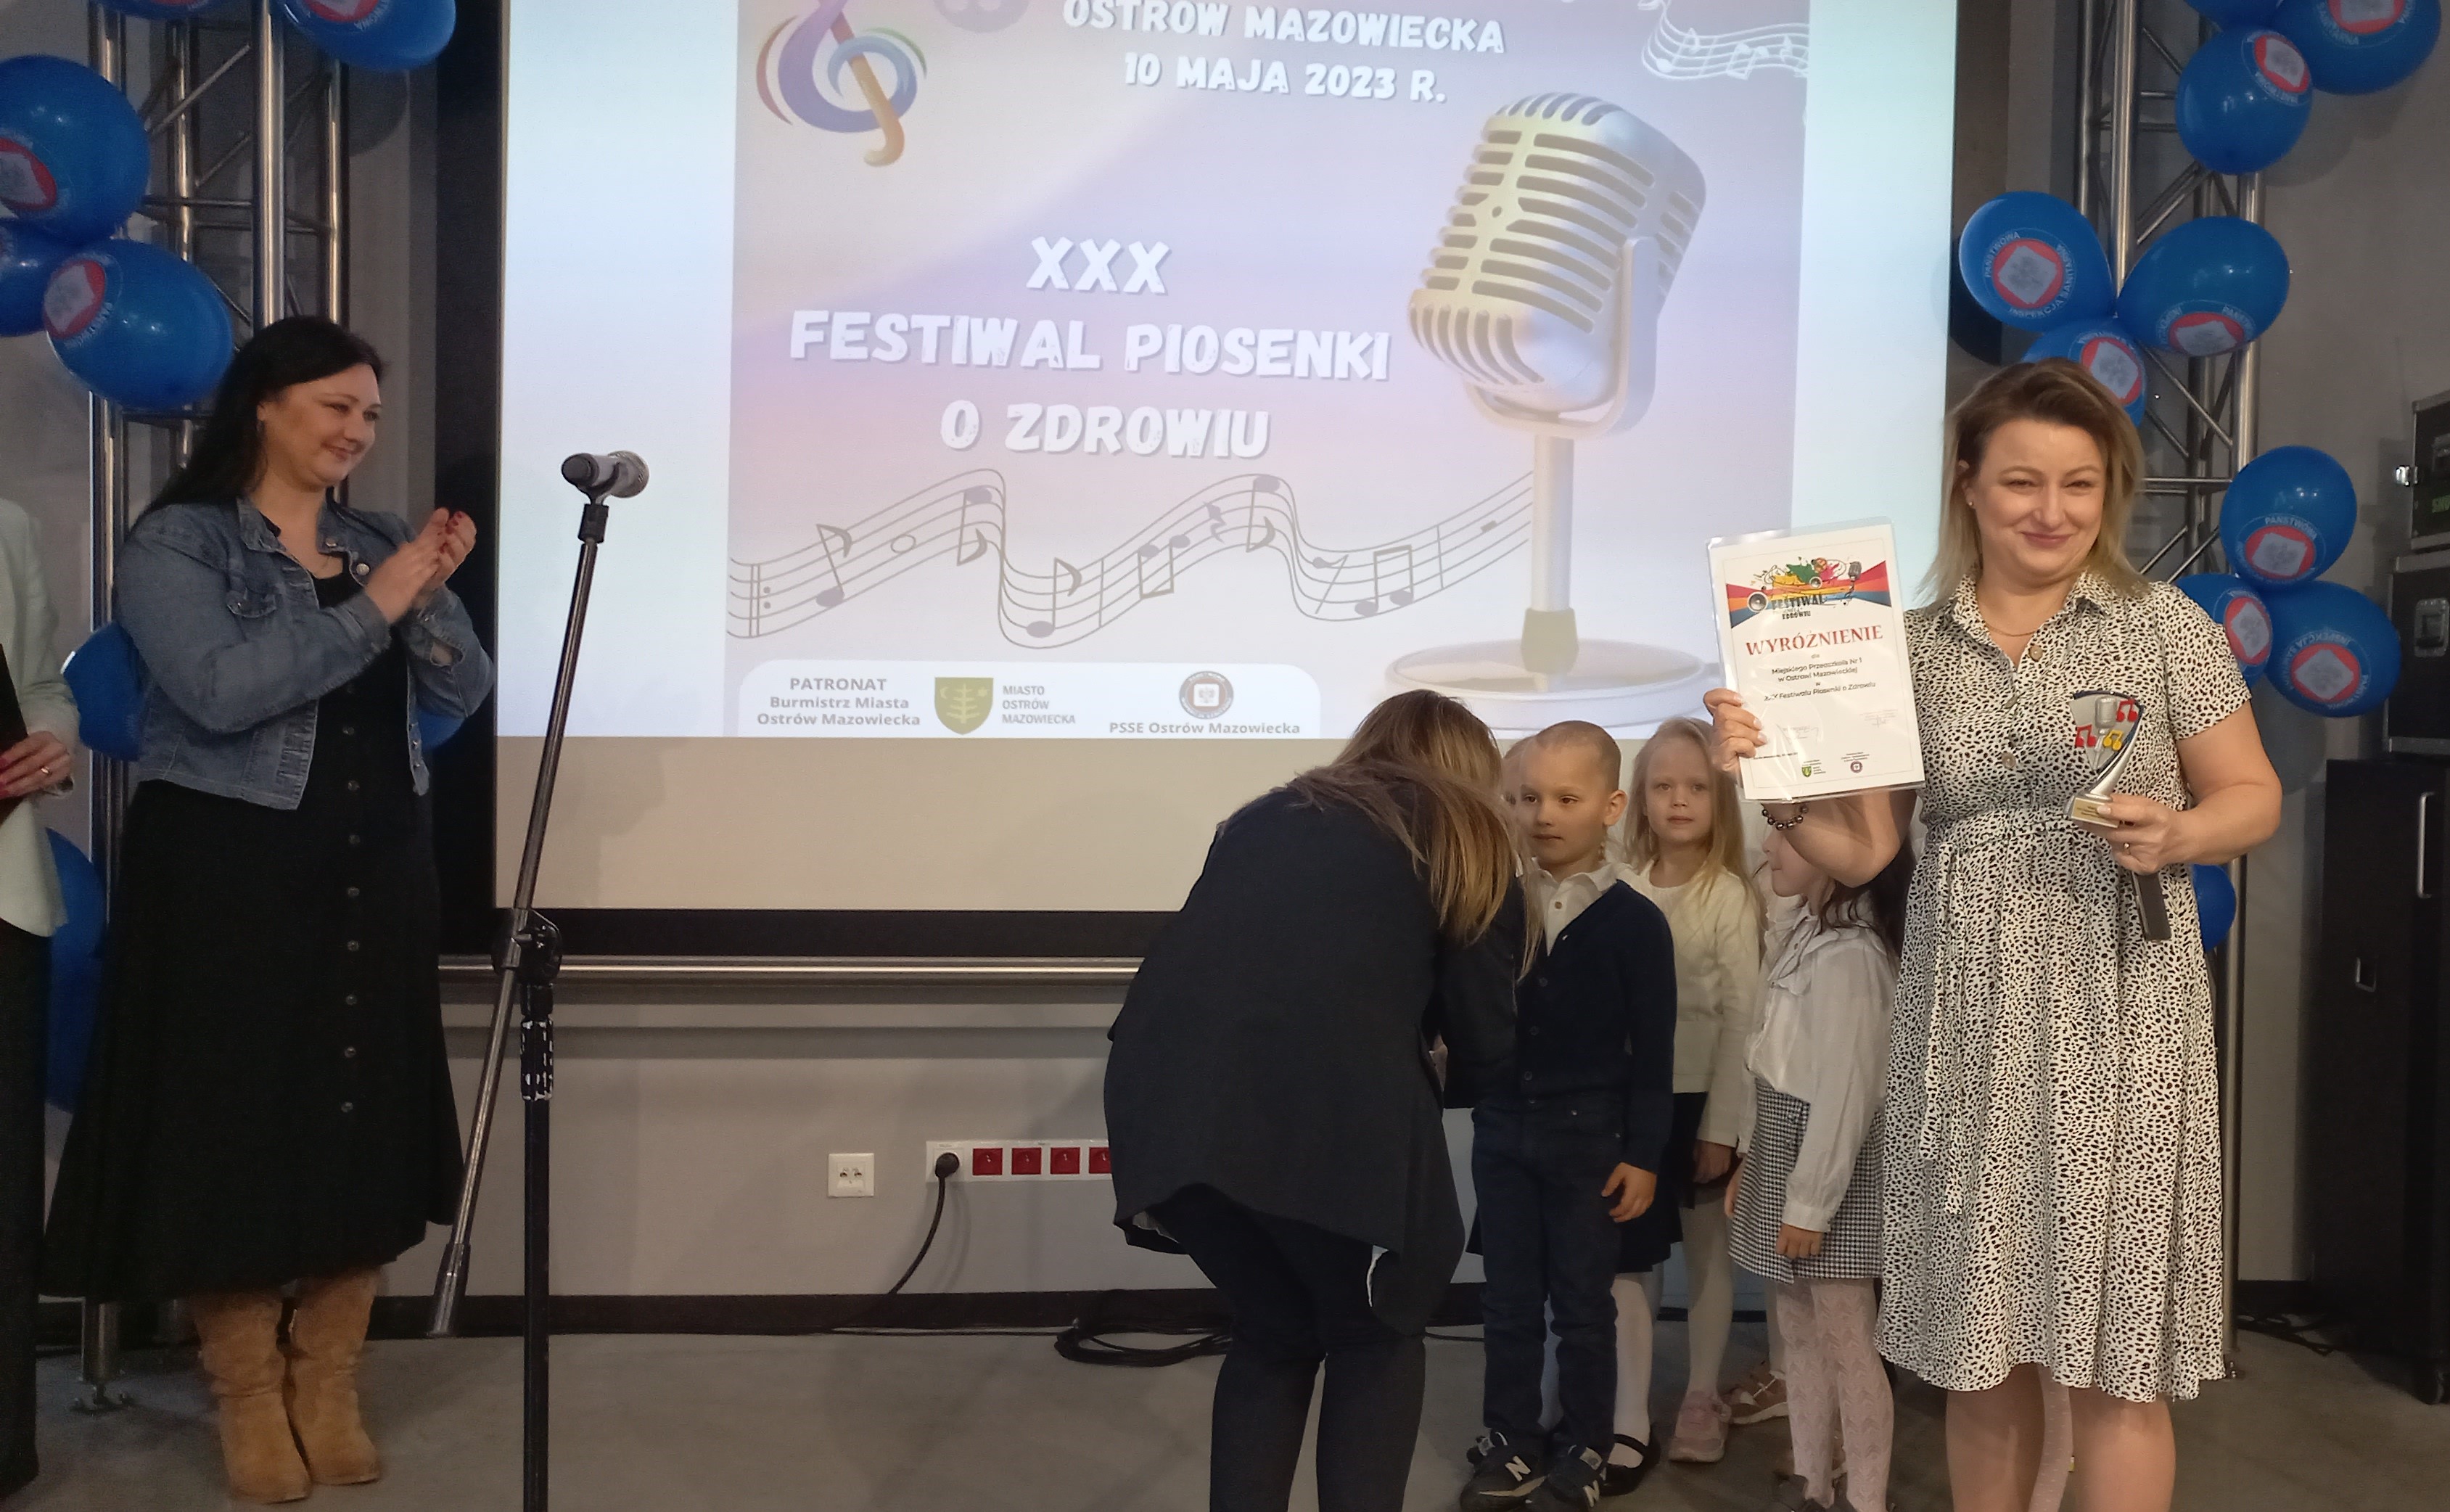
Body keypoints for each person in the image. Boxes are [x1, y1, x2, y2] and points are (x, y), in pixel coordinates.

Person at [1706, 358, 2282, 1512]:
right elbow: (1867, 852)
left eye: (2079, 484)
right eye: (2022, 481)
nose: (2051, 511)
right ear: (1967, 484)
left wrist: (2180, 832)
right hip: (1966, 1027)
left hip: (2124, 1022)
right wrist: (1770, 776)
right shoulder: (1903, 648)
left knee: (2117, 1366)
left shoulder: (2163, 626)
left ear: (2108, 491)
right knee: (1982, 1353)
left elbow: (2252, 796)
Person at [42, 317, 493, 1505]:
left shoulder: (375, 539)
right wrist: (377, 601)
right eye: (336, 406)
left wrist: (425, 591)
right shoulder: (179, 540)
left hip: (377, 856)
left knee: (358, 1119)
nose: (357, 431)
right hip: (228, 869)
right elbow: (221, 690)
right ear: (264, 403)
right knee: (229, 1129)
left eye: (370, 414)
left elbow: (463, 687)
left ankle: (327, 1382)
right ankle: (246, 1390)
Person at [1104, 689, 1524, 1512]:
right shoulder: (1464, 829)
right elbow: (1484, 1035)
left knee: (1274, 1333)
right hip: (1316, 1117)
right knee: (1377, 1336)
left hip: (1161, 1109)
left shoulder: (1266, 814)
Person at [1464, 721, 1676, 1512]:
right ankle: (1511, 1439)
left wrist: (1644, 1152)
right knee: (1507, 1300)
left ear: (1610, 806)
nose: (1541, 814)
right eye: (1525, 798)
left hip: (1590, 1137)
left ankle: (1586, 1444)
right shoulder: (1492, 906)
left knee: (1585, 1304)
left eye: (1564, 798)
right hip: (1503, 1129)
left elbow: (1653, 1050)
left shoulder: (1635, 921)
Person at [1725, 822, 1912, 1512]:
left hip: (1829, 1176)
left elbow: (1845, 1095)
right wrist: (1751, 1158)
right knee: (1797, 1335)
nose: (1766, 847)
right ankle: (1813, 1485)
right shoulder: (1805, 934)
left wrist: (1809, 1204)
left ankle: (1865, 1498)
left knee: (1847, 1342)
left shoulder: (1852, 955)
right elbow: (1768, 1065)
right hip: (1785, 1157)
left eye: (1783, 833)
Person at [1614, 717, 1766, 1469]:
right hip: (1632, 1103)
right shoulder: (1619, 888)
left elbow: (1744, 1016)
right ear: (1638, 798)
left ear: (1719, 798)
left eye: (1696, 787)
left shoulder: (1727, 894)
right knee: (1630, 1254)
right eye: (1663, 786)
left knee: (1707, 1255)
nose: (1678, 800)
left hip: (1700, 1098)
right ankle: (1628, 1403)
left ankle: (1702, 1393)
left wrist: (1721, 1126)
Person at [0, 499, 76, 1500]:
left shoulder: (7, 523)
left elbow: (43, 685)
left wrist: (51, 741)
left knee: (6, 1194)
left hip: (3, 903)